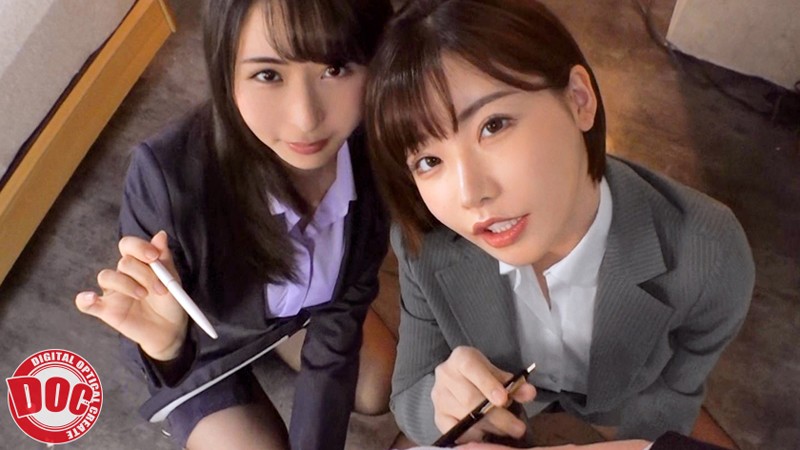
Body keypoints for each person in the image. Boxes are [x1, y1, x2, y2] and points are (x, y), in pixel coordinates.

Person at [364, 0, 754, 447]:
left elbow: (678, 391)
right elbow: (411, 391)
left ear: (579, 100)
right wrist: (443, 405)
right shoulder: (425, 242)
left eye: (493, 125)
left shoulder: (709, 254)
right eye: (429, 161)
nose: (470, 194)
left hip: (624, 407)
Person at [74, 0, 395, 449]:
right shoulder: (168, 175)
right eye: (268, 74)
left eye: (335, 68)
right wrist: (169, 350)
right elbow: (159, 328)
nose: (306, 118)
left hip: (294, 316)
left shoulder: (377, 146)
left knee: (378, 387)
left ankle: (279, 327)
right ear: (226, 72)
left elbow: (345, 305)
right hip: (206, 345)